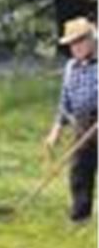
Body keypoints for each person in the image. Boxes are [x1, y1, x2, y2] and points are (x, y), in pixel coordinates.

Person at [44, 17, 97, 223]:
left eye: (79, 42)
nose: (75, 48)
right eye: (72, 44)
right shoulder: (70, 68)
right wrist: (55, 132)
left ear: (91, 39)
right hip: (82, 124)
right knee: (79, 171)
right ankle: (80, 218)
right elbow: (64, 104)